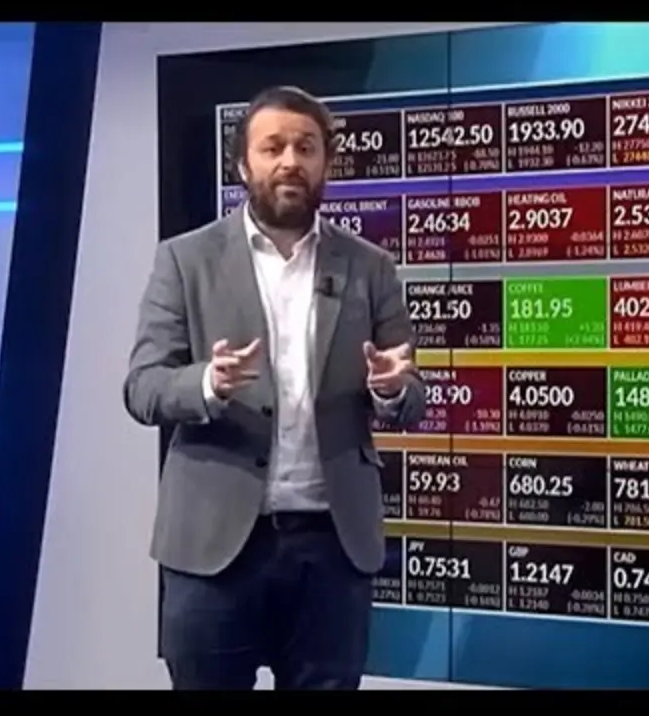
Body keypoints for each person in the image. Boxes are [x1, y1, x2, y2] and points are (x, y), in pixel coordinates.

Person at [123, 85, 426, 690]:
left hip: (331, 551)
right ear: (243, 165)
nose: (291, 161)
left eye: (306, 147)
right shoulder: (185, 260)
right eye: (273, 147)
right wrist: (207, 383)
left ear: (326, 164)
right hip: (213, 550)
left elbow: (410, 394)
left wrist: (394, 389)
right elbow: (144, 387)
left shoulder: (370, 267)